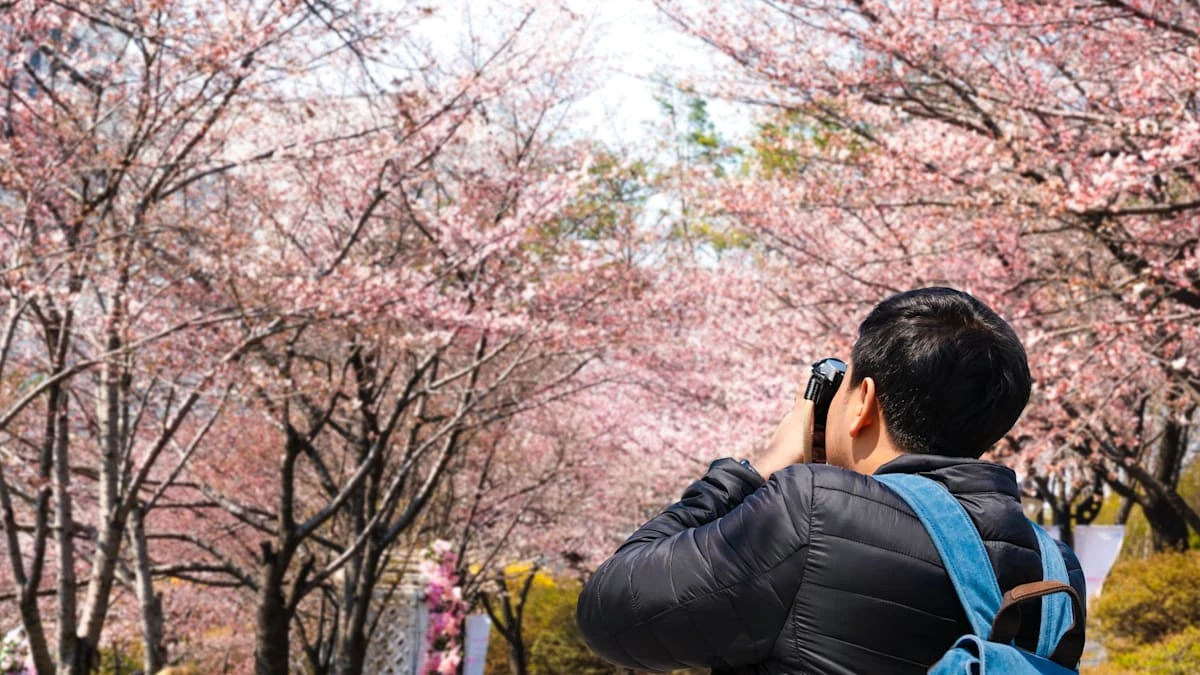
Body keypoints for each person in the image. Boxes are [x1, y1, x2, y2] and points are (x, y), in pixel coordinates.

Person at [575, 287, 1085, 674]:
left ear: (862, 401)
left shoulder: (813, 509)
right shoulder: (1054, 565)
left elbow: (611, 609)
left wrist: (753, 471)